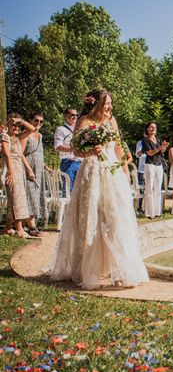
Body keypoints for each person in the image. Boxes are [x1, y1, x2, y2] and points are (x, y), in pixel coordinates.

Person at [49, 89, 149, 289]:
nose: (109, 107)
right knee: (91, 219)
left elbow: (119, 146)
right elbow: (77, 150)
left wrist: (123, 171)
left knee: (116, 218)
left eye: (110, 103)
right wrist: (90, 150)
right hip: (92, 171)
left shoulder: (111, 121)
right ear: (96, 104)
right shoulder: (84, 122)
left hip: (112, 173)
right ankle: (88, 269)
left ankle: (120, 269)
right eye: (106, 104)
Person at [1, 114, 37, 237]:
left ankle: (8, 228)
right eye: (13, 125)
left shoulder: (16, 138)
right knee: (16, 199)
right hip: (11, 170)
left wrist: (21, 121)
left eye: (18, 126)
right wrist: (10, 172)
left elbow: (32, 129)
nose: (16, 127)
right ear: (8, 125)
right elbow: (6, 155)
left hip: (19, 170)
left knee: (17, 198)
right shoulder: (5, 137)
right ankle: (20, 229)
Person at [23, 112, 48, 234]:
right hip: (28, 170)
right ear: (30, 120)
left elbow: (38, 153)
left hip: (39, 171)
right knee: (30, 196)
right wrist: (28, 169)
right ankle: (32, 227)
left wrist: (45, 166)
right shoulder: (26, 135)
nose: (38, 123)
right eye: (36, 120)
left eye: (41, 121)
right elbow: (20, 154)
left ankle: (30, 225)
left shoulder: (40, 135)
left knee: (37, 197)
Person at [141, 122, 169, 219]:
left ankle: (157, 212)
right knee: (149, 188)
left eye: (155, 127)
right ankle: (149, 213)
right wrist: (161, 147)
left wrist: (164, 147)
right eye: (151, 127)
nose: (153, 129)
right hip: (150, 165)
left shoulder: (158, 139)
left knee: (158, 189)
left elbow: (161, 152)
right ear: (147, 129)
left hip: (159, 165)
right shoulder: (145, 140)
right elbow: (150, 153)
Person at [54, 108, 81, 191]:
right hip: (68, 162)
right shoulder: (61, 129)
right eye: (72, 115)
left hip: (80, 162)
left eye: (77, 115)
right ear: (66, 116)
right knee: (68, 190)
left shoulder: (80, 129)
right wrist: (73, 149)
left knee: (79, 190)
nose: (75, 117)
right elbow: (58, 147)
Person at [134, 135, 146, 213]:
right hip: (142, 170)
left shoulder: (155, 142)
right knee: (141, 190)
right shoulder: (140, 143)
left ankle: (149, 209)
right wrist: (144, 149)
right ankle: (139, 208)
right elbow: (137, 155)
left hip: (153, 169)